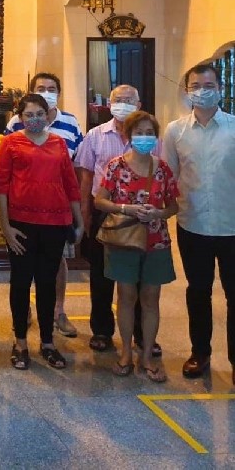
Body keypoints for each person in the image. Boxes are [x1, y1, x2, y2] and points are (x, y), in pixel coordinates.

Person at [0, 95, 83, 370]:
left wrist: (79, 222)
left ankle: (47, 342)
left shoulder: (58, 143)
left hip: (55, 224)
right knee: (20, 283)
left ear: (48, 115)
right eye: (28, 114)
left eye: (39, 114)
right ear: (20, 117)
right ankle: (20, 341)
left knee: (46, 284)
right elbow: (0, 185)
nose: (34, 119)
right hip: (22, 224)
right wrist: (6, 227)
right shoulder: (11, 143)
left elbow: (70, 184)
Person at [93, 111, 179, 382]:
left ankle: (147, 356)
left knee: (151, 299)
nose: (144, 138)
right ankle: (126, 353)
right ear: (129, 136)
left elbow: (173, 205)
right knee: (126, 297)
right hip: (124, 240)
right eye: (139, 133)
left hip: (156, 241)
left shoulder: (162, 168)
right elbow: (99, 201)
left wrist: (159, 214)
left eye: (149, 133)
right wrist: (125, 208)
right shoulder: (116, 166)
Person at [74, 84, 159, 357]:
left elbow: (163, 174)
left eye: (128, 100)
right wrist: (86, 214)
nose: (123, 104)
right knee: (102, 274)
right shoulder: (95, 136)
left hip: (144, 216)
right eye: (118, 100)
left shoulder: (151, 137)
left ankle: (141, 332)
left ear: (139, 103)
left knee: (138, 276)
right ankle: (102, 330)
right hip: (104, 212)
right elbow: (86, 178)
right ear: (109, 104)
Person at [163, 63, 235, 381]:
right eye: (196, 85)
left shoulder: (234, 127)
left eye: (209, 84)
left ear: (220, 88)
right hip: (192, 225)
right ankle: (200, 353)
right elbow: (169, 176)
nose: (203, 90)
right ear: (187, 90)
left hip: (232, 225)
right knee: (198, 291)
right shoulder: (175, 131)